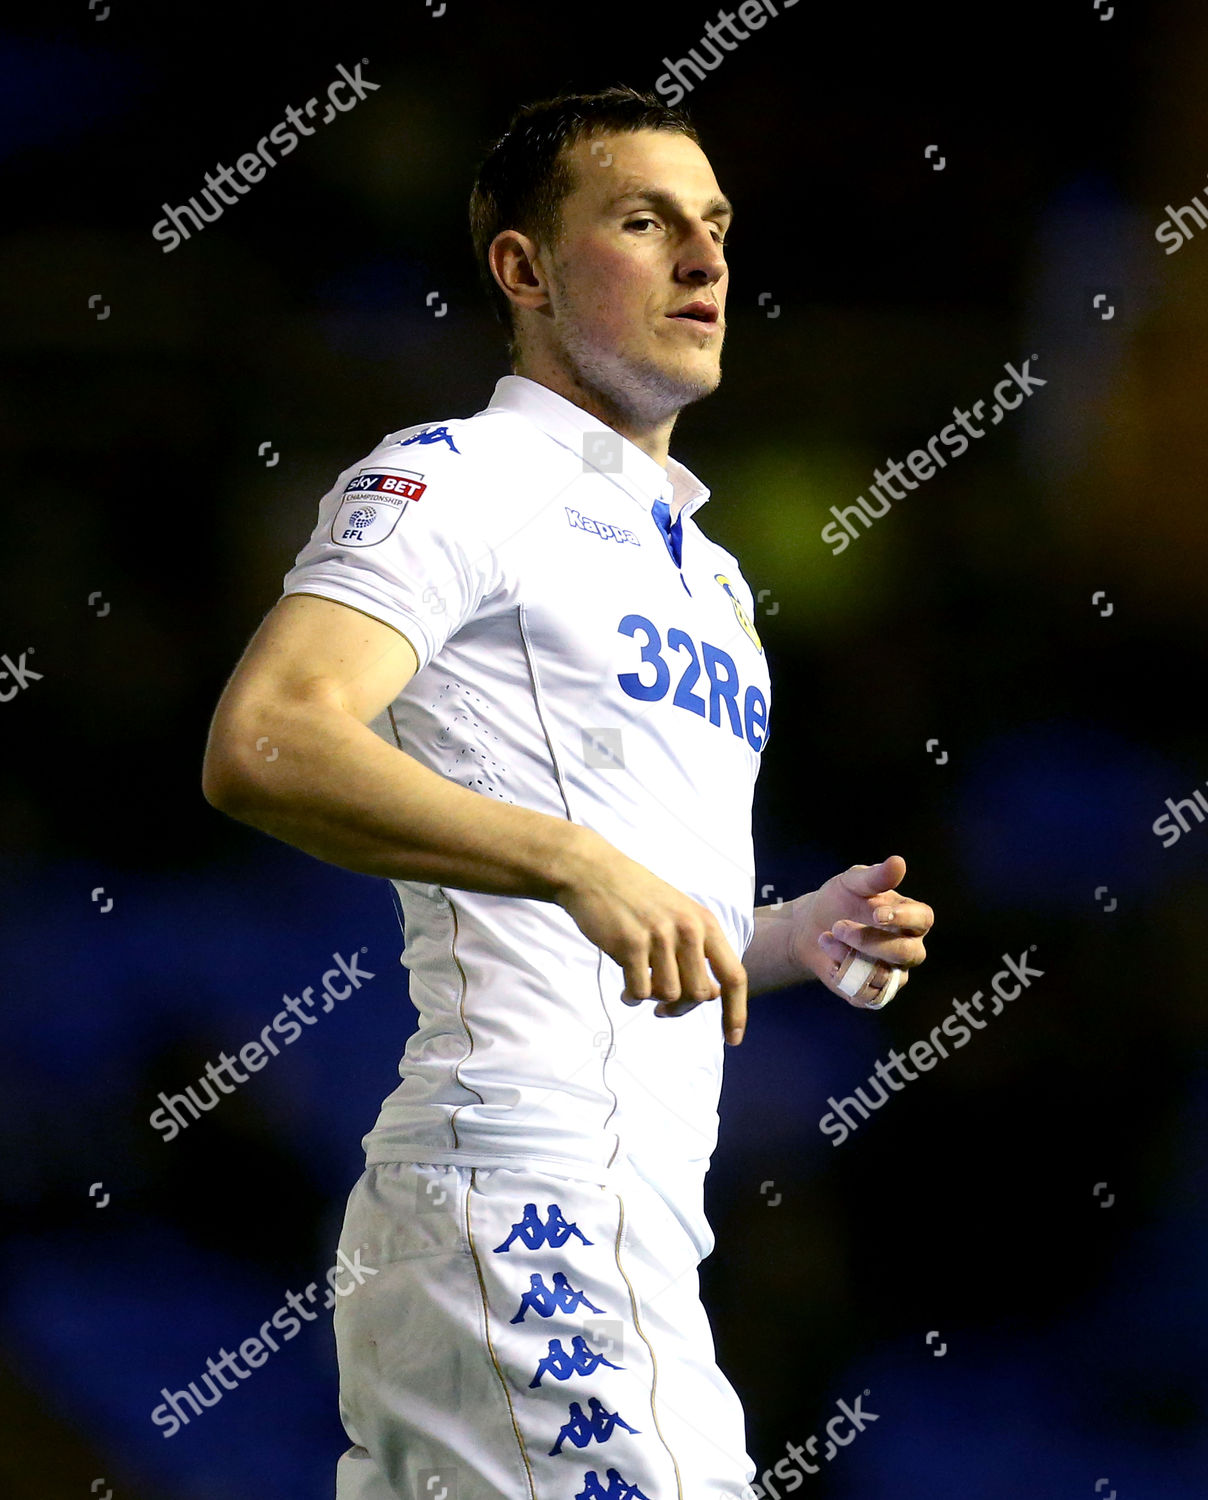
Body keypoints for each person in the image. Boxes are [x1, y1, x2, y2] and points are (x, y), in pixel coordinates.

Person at [201, 84, 933, 1500]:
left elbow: (640, 917)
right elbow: (268, 738)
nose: (706, 261)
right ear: (524, 270)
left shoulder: (713, 584)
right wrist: (576, 860)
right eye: (647, 222)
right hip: (521, 1186)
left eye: (716, 226)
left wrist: (785, 940)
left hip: (638, 1224)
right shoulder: (455, 478)